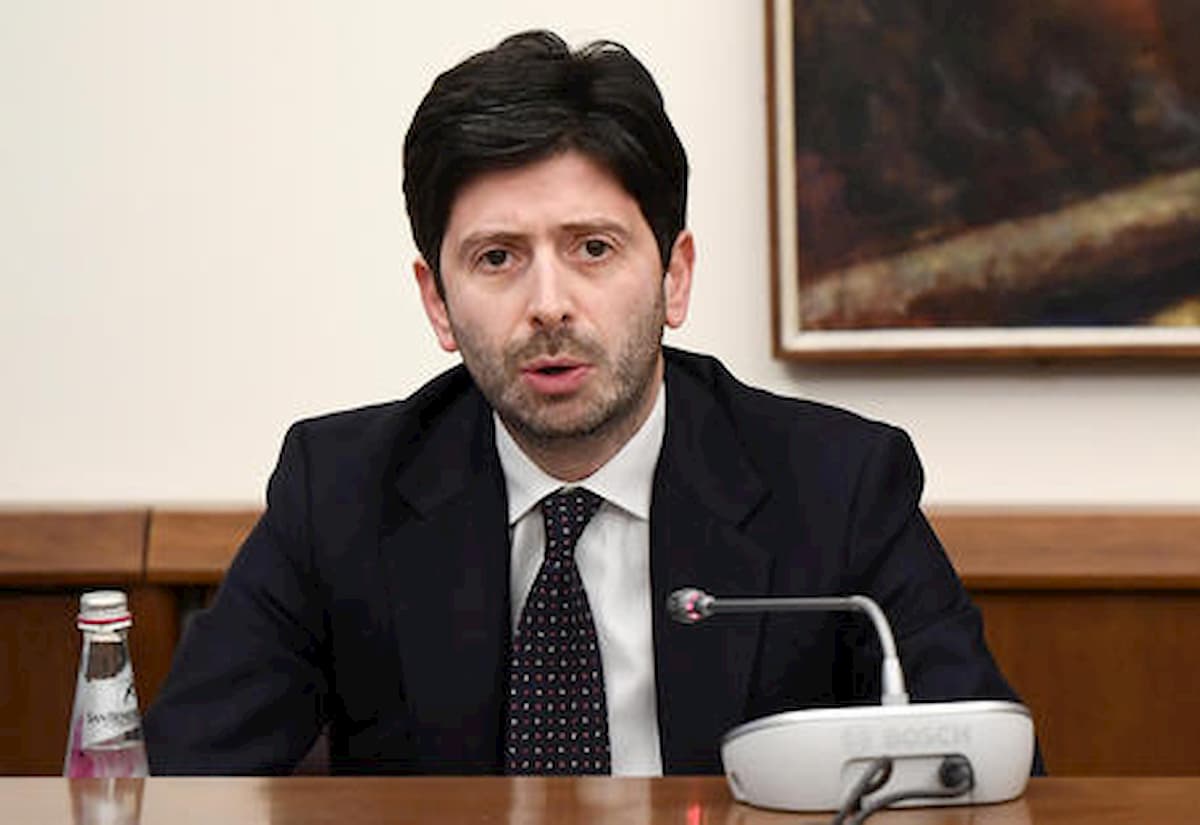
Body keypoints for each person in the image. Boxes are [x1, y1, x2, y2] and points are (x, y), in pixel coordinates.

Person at [144, 30, 1028, 776]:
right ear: (436, 301)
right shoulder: (339, 492)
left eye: (593, 248)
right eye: (497, 257)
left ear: (675, 276)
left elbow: (984, 773)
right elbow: (178, 779)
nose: (549, 305)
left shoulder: (839, 484)